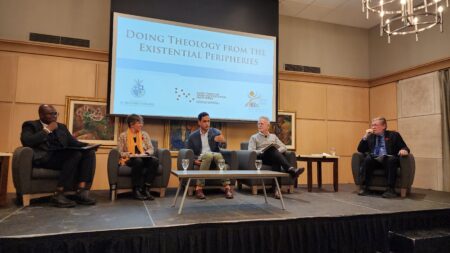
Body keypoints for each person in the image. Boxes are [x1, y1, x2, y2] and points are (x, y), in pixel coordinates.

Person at [20, 104, 97, 208]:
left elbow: (73, 142)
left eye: (55, 113)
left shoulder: (61, 127)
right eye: (50, 114)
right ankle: (59, 194)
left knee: (89, 153)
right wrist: (47, 130)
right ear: (41, 114)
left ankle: (81, 191)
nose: (54, 116)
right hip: (45, 157)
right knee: (75, 154)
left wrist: (88, 146)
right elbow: (27, 141)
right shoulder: (30, 125)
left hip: (62, 156)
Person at [248, 116, 304, 199]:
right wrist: (262, 150)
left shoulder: (273, 136)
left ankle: (276, 189)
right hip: (262, 157)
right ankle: (290, 170)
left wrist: (277, 152)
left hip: (273, 157)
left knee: (275, 156)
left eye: (262, 124)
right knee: (272, 150)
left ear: (268, 126)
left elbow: (284, 147)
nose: (259, 125)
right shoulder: (254, 137)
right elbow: (250, 151)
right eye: (258, 124)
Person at [357, 117, 410, 198]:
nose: (373, 127)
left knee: (391, 159)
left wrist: (404, 150)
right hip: (375, 160)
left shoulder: (394, 135)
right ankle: (365, 187)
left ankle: (390, 190)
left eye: (375, 125)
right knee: (368, 159)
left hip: (388, 160)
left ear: (384, 126)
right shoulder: (370, 137)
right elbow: (360, 149)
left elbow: (404, 147)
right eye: (372, 125)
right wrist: (365, 136)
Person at [186, 112, 233, 199]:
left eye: (208, 121)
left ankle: (227, 187)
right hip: (202, 156)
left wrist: (222, 141)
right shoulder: (192, 136)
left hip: (214, 155)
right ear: (199, 122)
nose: (207, 123)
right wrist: (193, 161)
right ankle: (199, 188)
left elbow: (223, 147)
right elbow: (189, 151)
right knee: (208, 155)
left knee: (218, 156)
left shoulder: (215, 132)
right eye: (204, 121)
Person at [117, 114, 159, 200]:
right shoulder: (123, 136)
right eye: (139, 123)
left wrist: (147, 153)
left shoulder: (144, 134)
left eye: (142, 123)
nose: (141, 125)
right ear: (132, 124)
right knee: (138, 161)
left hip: (144, 157)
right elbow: (119, 152)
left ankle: (146, 188)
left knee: (154, 161)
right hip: (130, 159)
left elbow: (151, 148)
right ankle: (136, 190)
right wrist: (130, 154)